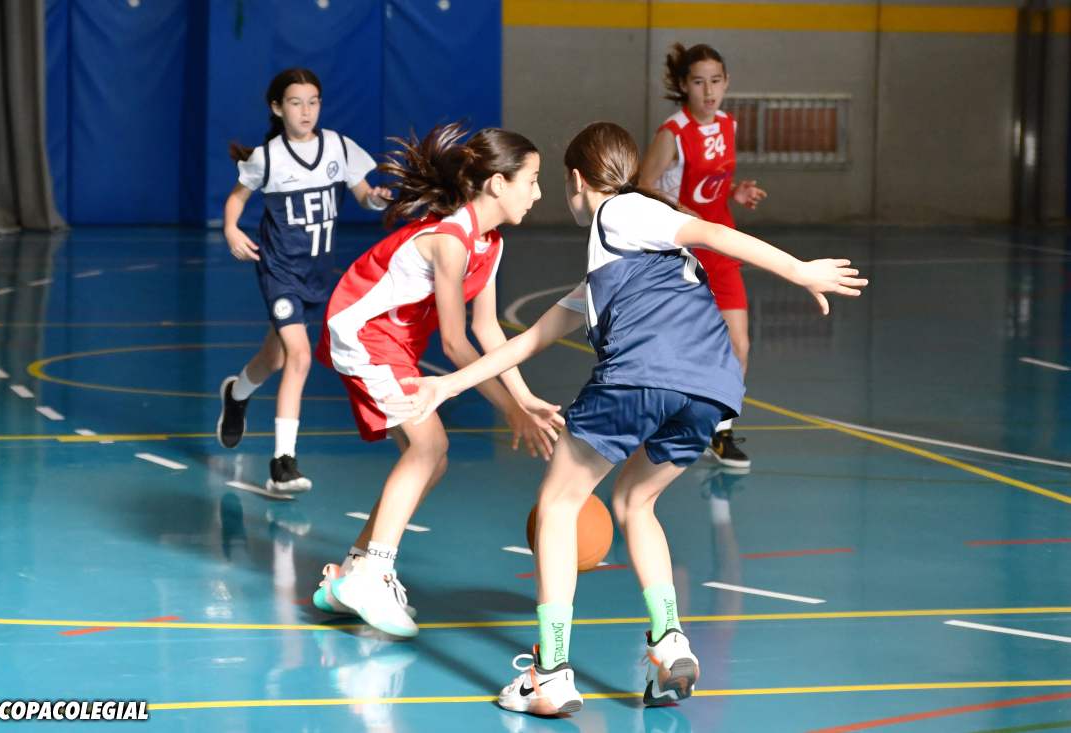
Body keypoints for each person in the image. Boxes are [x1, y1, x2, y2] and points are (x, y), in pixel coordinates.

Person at [388, 122, 865, 714]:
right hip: (713, 389)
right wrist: (447, 384)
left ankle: (550, 673)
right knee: (636, 503)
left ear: (577, 180)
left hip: (644, 374)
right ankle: (669, 644)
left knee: (559, 503)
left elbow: (714, 231)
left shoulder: (622, 212)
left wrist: (798, 270)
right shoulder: (610, 266)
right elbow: (530, 340)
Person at [312, 122, 564, 638]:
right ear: (498, 183)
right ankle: (374, 575)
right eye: (533, 180)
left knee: (434, 457)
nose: (539, 194)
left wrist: (523, 398)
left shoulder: (490, 244)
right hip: (362, 334)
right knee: (429, 445)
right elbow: (454, 343)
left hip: (394, 344)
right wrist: (508, 408)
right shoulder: (449, 240)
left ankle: (353, 572)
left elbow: (488, 329)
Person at [217, 68, 391, 493]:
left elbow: (364, 195)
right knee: (299, 356)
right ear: (278, 108)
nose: (306, 110)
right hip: (279, 270)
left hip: (316, 273)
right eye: (296, 102)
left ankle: (236, 395)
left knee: (274, 359)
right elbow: (237, 198)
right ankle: (283, 463)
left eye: (313, 101)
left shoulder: (337, 147)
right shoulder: (268, 157)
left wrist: (377, 199)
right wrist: (231, 229)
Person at [639, 43, 765, 469]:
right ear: (683, 85)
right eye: (698, 82)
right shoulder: (672, 133)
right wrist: (682, 209)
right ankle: (664, 421)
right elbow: (642, 188)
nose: (708, 91)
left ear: (726, 82)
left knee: (739, 344)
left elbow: (711, 184)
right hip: (681, 251)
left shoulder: (728, 124)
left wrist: (734, 192)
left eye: (715, 80)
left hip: (721, 245)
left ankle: (719, 431)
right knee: (679, 348)